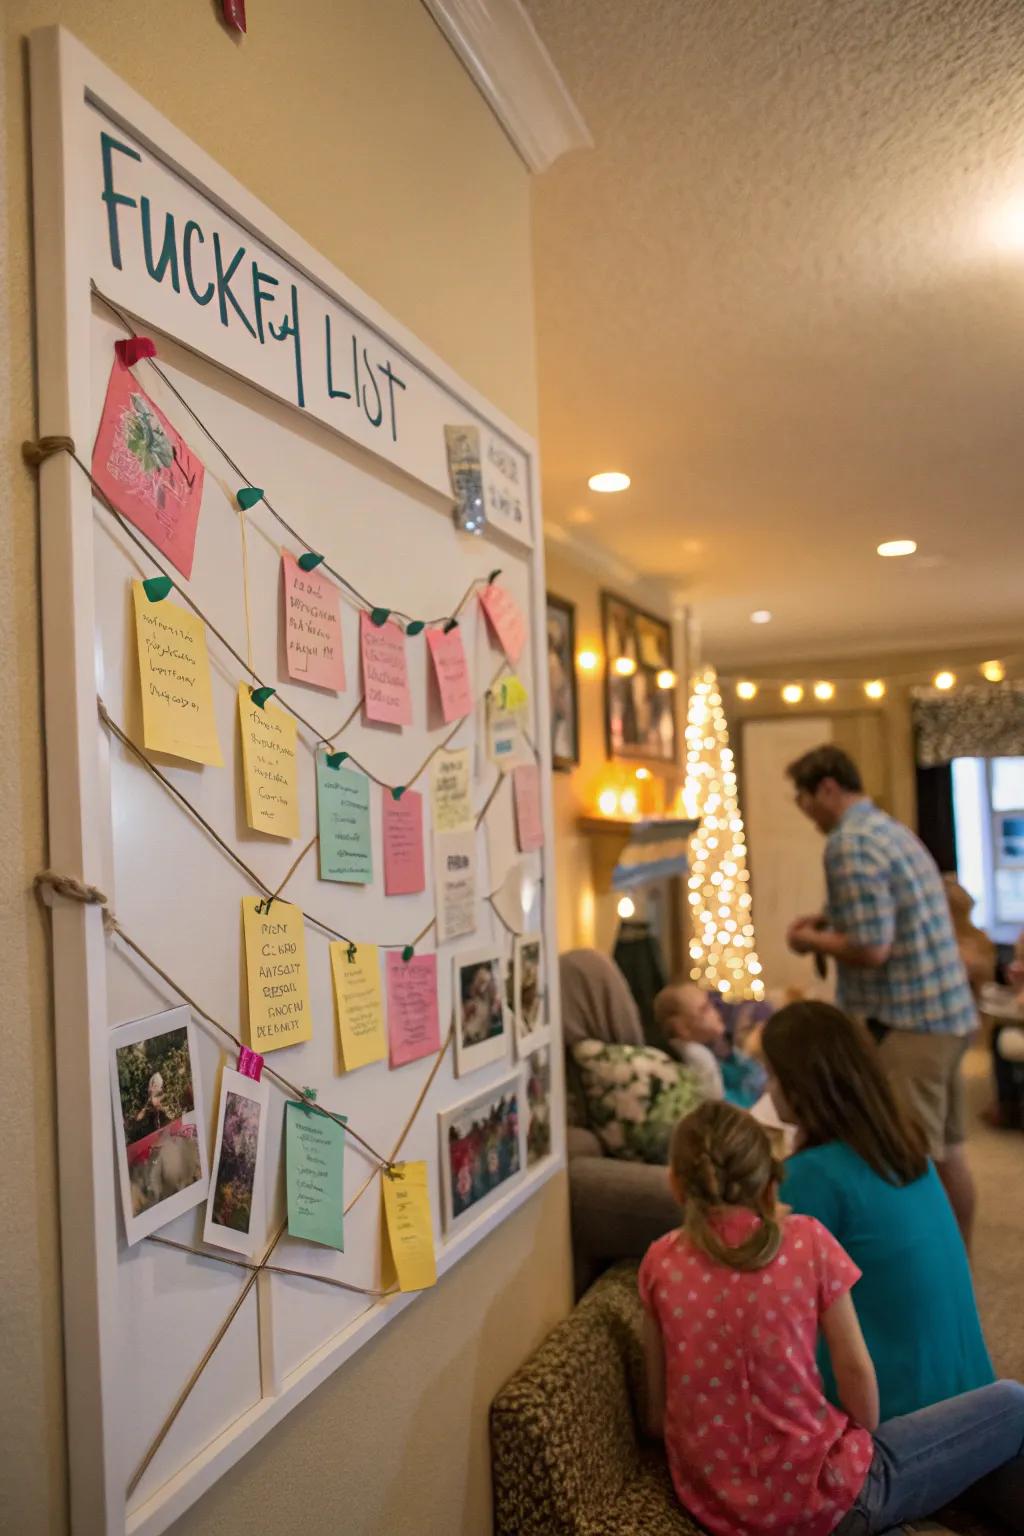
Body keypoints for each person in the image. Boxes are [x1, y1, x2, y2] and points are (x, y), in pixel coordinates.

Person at [639, 1100, 1024, 1536]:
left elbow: (656, 1415)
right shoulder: (807, 1241)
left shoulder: (659, 1262)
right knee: (1012, 1402)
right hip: (826, 1501)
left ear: (675, 1184)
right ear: (769, 1177)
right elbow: (858, 1380)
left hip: (718, 1511)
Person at [761, 1000, 994, 1420]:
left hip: (897, 1421)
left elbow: (775, 1307)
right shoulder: (907, 1147)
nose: (767, 1089)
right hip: (970, 1402)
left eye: (771, 1076)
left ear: (797, 1087)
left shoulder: (812, 1177)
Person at [784, 745, 978, 1245]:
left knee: (908, 1153)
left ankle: (928, 1264)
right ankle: (957, 1261)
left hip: (909, 1024)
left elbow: (871, 947)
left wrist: (807, 940)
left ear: (827, 788)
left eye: (803, 799)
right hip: (948, 1015)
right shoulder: (888, 830)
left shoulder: (847, 844)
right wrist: (827, 921)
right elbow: (879, 911)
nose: (804, 812)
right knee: (947, 1149)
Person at [653, 984, 726, 1100]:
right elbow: (715, 1101)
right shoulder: (698, 1055)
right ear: (682, 1028)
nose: (714, 1011)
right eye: (704, 1009)